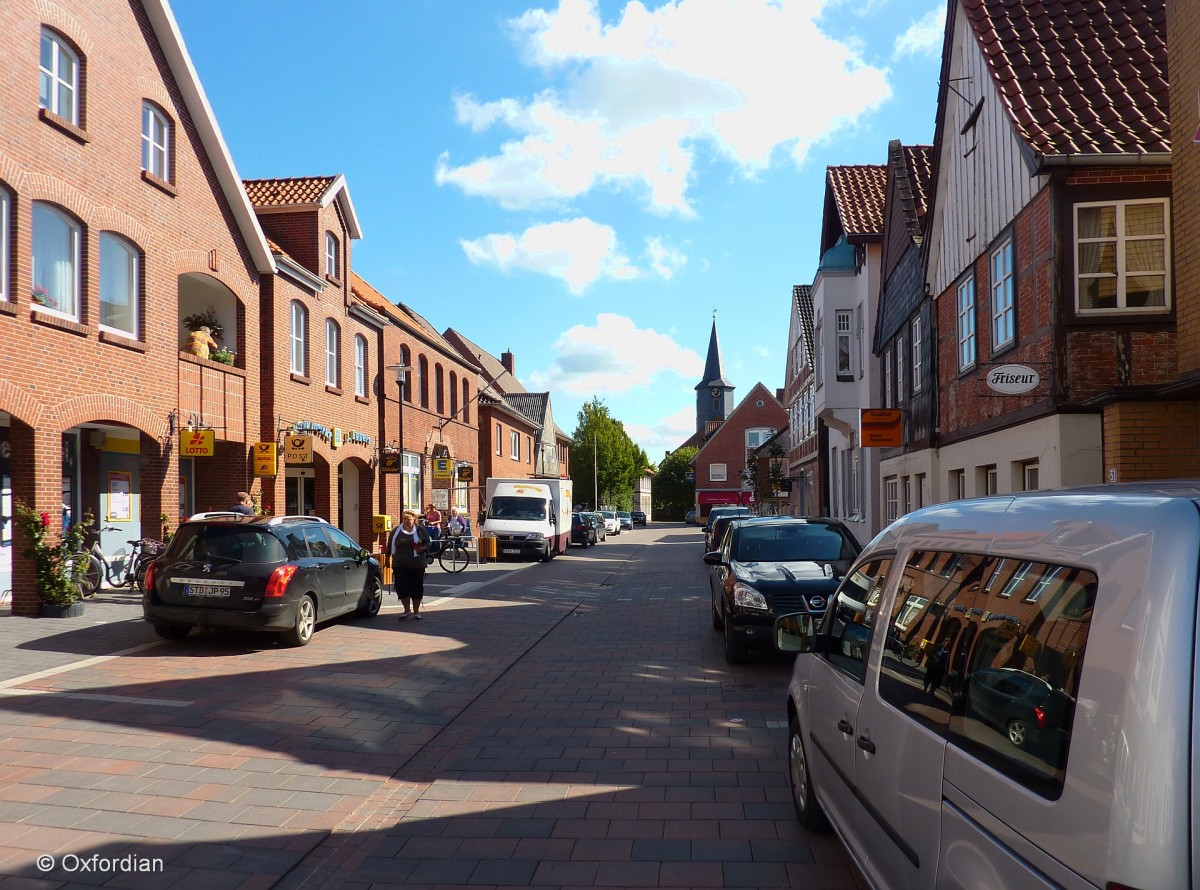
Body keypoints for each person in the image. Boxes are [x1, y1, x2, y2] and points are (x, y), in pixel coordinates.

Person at [390, 509, 431, 620]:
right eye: (404, 519)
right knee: (401, 586)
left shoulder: (420, 530)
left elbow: (428, 542)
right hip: (399, 564)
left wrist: (423, 548)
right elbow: (390, 545)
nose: (406, 521)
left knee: (416, 587)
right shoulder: (396, 531)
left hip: (417, 564)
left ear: (414, 519)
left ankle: (416, 611)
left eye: (408, 519)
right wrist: (387, 559)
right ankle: (407, 610)